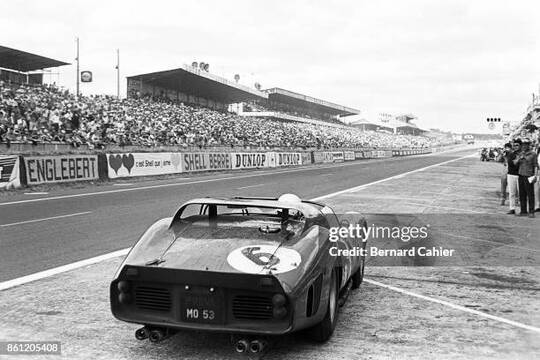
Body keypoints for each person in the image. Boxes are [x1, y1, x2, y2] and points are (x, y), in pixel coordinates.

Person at [513, 138, 538, 217]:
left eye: (525, 145)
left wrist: (535, 176)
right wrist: (519, 158)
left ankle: (531, 212)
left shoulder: (533, 154)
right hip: (521, 175)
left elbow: (536, 165)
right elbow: (515, 163)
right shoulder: (520, 153)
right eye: (523, 145)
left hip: (529, 175)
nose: (524, 146)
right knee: (522, 194)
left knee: (530, 194)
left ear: (528, 145)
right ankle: (523, 211)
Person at [505, 140, 520, 214]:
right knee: (512, 193)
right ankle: (512, 208)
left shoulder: (524, 154)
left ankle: (523, 209)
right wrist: (518, 159)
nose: (515, 147)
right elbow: (511, 164)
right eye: (514, 145)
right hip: (511, 174)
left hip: (521, 175)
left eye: (517, 145)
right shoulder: (511, 154)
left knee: (521, 193)